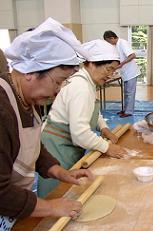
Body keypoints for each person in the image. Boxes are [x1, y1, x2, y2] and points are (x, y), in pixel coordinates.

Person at [0, 18, 94, 230]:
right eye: (58, 81)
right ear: (31, 71)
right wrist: (50, 207)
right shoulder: (2, 108)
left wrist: (59, 172)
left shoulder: (27, 98)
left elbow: (33, 146)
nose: (58, 90)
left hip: (12, 207)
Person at [38, 39, 126, 197]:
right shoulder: (81, 87)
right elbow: (80, 134)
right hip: (57, 149)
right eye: (109, 69)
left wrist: (104, 129)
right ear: (92, 63)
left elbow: (92, 110)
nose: (111, 75)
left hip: (66, 146)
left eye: (114, 70)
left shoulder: (88, 83)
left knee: (66, 192)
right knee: (54, 196)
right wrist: (107, 148)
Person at [103, 30, 141, 118]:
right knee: (126, 93)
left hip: (131, 72)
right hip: (126, 73)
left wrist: (121, 64)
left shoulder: (123, 43)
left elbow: (132, 55)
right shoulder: (117, 45)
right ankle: (125, 109)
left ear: (112, 38)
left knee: (130, 93)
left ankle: (129, 112)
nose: (109, 44)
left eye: (109, 41)